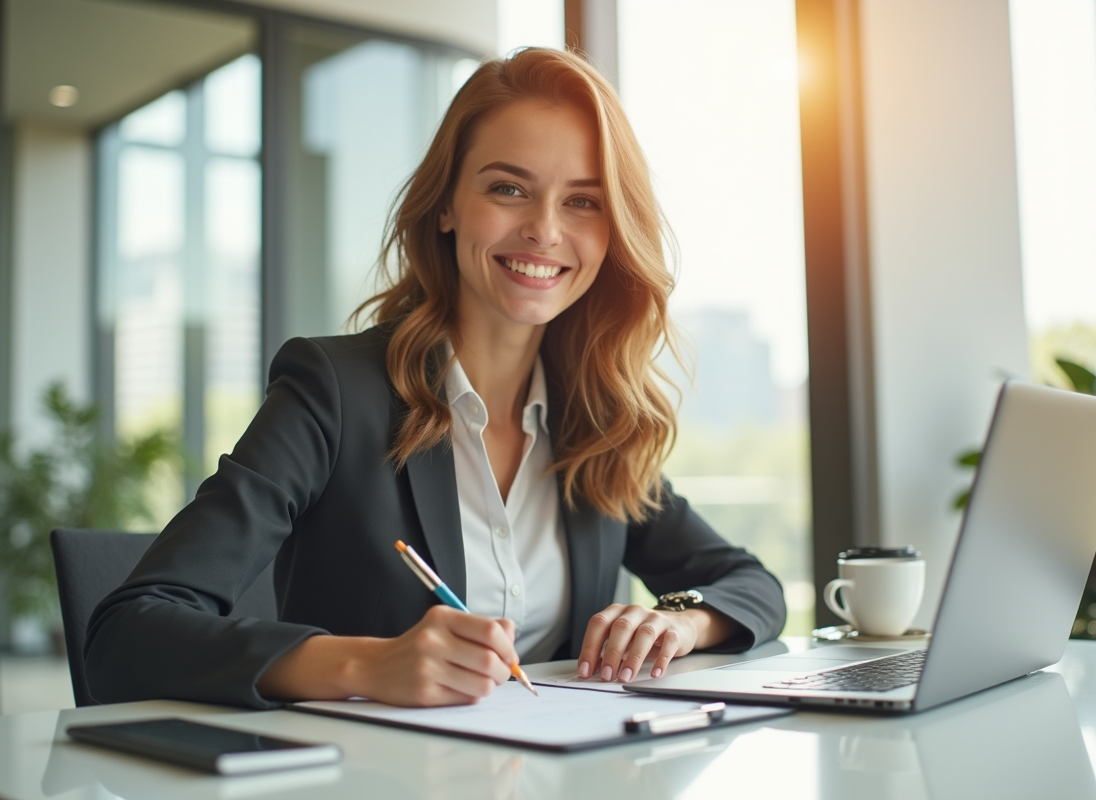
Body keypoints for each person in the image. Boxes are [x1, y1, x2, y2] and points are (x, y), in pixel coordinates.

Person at [85, 47, 786, 710]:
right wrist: (363, 665)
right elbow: (128, 633)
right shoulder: (332, 390)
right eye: (509, 188)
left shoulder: (595, 421)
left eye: (582, 201)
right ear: (446, 205)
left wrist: (681, 622)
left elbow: (751, 583)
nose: (544, 230)